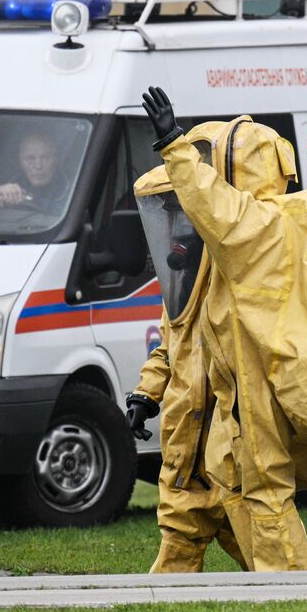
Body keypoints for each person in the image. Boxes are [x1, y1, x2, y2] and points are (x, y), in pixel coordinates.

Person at [142, 87, 307, 572]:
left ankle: (293, 594)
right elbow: (182, 335)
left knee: (263, 493)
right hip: (248, 391)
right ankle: (267, 585)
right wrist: (148, 390)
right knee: (227, 493)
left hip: (262, 389)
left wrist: (174, 144)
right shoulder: (250, 238)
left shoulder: (261, 225)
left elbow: (220, 209)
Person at [124, 121, 249, 574]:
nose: (176, 231)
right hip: (185, 447)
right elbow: (169, 349)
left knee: (267, 550)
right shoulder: (181, 289)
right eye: (170, 218)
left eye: (184, 217)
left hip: (230, 449)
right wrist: (145, 394)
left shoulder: (240, 279)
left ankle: (305, 611)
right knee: (178, 538)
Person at [0, 131, 69, 212]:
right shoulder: (8, 180)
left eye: (45, 158)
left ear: (57, 159)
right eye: (30, 158)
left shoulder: (72, 185)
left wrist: (25, 199)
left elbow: (66, 212)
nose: (38, 166)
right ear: (20, 161)